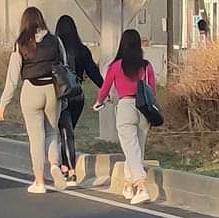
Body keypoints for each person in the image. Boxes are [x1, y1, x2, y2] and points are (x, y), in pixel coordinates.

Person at [0, 7, 67, 194]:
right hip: (52, 89)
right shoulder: (55, 40)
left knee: (36, 138)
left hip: (31, 90)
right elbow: (64, 66)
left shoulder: (20, 44)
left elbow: (12, 78)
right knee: (52, 132)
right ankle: (54, 165)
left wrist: (3, 105)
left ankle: (39, 181)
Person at [95, 28, 157, 206]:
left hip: (126, 107)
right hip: (144, 109)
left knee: (131, 149)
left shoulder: (116, 66)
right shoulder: (146, 66)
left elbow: (105, 88)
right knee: (138, 149)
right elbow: (152, 89)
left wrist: (99, 102)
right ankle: (129, 185)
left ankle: (141, 186)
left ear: (122, 44)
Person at [54, 14, 104, 179]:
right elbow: (93, 72)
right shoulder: (82, 50)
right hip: (78, 95)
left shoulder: (56, 51)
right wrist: (105, 89)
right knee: (68, 131)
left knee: (65, 132)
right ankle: (66, 165)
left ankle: (69, 169)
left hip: (62, 96)